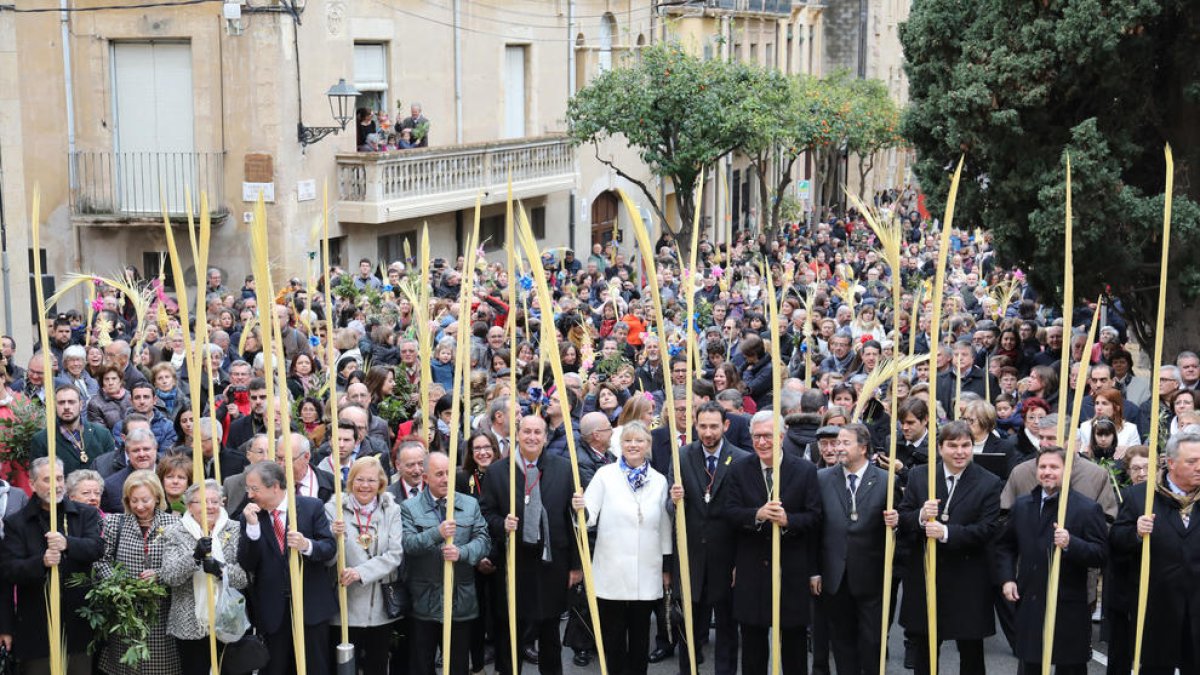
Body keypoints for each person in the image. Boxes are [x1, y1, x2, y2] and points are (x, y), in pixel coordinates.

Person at [897, 420, 1003, 675]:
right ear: (940, 447)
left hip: (967, 578)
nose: (960, 452)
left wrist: (946, 532)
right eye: (953, 446)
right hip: (927, 576)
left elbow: (988, 529)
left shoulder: (988, 482)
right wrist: (921, 515)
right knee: (925, 648)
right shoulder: (920, 475)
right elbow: (904, 518)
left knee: (971, 652)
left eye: (966, 445)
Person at [479, 415, 582, 675]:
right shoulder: (498, 471)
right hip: (514, 562)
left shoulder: (563, 468)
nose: (532, 437)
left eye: (538, 432)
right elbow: (485, 513)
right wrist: (502, 523)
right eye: (527, 432)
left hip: (551, 562)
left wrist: (575, 566)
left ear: (546, 437)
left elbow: (573, 522)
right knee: (510, 631)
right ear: (517, 434)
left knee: (549, 633)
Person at [572, 421, 672, 675]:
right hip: (611, 570)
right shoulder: (605, 475)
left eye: (639, 440)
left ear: (648, 445)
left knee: (640, 638)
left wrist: (667, 566)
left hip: (646, 570)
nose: (633, 445)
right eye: (628, 440)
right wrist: (579, 508)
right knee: (613, 639)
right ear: (620, 445)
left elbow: (664, 526)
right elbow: (588, 516)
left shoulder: (659, 481)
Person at [725, 410, 821, 675]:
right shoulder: (739, 469)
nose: (762, 442)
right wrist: (756, 514)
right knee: (753, 648)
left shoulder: (805, 470)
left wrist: (788, 520)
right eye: (756, 437)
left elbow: (814, 517)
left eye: (767, 436)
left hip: (790, 569)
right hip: (752, 569)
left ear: (781, 437)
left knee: (793, 647)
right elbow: (730, 513)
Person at [995, 447, 1107, 675]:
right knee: (1030, 663)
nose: (1048, 472)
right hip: (1031, 598)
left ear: (1067, 471)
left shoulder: (1086, 509)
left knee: (1070, 666)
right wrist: (1007, 579)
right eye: (1043, 467)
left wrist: (1071, 544)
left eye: (1054, 467)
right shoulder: (1023, 505)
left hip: (1069, 602)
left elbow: (1100, 553)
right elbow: (1005, 546)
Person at [0, 457, 104, 675]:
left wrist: (68, 543)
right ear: (32, 483)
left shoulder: (85, 514)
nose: (56, 485)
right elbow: (9, 571)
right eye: (47, 479)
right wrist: (42, 562)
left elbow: (96, 548)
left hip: (78, 623)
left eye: (59, 478)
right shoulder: (16, 523)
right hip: (35, 626)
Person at [1110, 431, 1200, 674]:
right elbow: (1116, 541)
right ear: (1170, 463)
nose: (1199, 467)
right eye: (1192, 462)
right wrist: (1136, 533)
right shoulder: (1141, 496)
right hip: (1157, 607)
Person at [813, 423, 900, 675]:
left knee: (872, 641)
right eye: (837, 443)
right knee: (841, 641)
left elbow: (900, 528)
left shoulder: (886, 481)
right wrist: (815, 571)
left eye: (844, 442)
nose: (837, 448)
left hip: (872, 576)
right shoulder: (822, 479)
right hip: (835, 575)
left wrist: (896, 523)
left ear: (863, 448)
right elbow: (816, 530)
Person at [239, 453, 338, 675]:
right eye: (248, 489)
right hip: (273, 611)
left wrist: (306, 545)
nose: (250, 495)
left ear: (274, 487)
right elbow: (246, 562)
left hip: (311, 606)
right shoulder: (250, 516)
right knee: (275, 669)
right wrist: (252, 529)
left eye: (255, 489)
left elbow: (329, 548)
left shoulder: (311, 507)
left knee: (315, 667)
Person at [669, 402, 749, 675]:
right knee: (687, 627)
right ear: (695, 425)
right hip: (691, 556)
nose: (708, 432)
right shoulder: (682, 456)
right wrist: (674, 501)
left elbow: (743, 515)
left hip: (726, 558)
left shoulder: (740, 459)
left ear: (725, 426)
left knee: (727, 628)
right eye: (702, 426)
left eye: (714, 426)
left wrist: (740, 561)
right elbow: (670, 510)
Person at [402, 451, 491, 675]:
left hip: (460, 600)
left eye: (449, 473)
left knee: (458, 664)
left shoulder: (470, 504)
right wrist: (436, 533)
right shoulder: (409, 507)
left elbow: (484, 540)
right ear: (425, 477)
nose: (445, 479)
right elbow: (407, 545)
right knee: (422, 664)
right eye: (439, 474)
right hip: (425, 600)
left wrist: (462, 553)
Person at [95, 469, 181, 675]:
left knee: (160, 667)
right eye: (134, 500)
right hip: (125, 613)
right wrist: (120, 585)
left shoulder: (174, 525)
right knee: (127, 667)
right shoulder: (114, 523)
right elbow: (101, 561)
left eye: (145, 500)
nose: (140, 506)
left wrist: (159, 575)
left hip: (161, 614)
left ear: (157, 497)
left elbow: (181, 565)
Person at [160, 480, 248, 675]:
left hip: (228, 619)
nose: (210, 507)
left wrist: (221, 570)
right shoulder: (175, 532)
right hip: (190, 623)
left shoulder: (235, 530)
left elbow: (244, 578)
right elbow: (169, 577)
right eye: (203, 502)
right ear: (189, 506)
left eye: (215, 501)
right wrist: (194, 557)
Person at [328, 456, 405, 675]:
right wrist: (334, 536)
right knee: (344, 667)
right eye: (359, 479)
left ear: (380, 483)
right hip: (345, 605)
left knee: (377, 665)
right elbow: (327, 558)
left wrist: (360, 572)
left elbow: (395, 554)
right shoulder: (333, 509)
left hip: (379, 605)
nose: (364, 485)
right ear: (351, 481)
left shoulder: (392, 509)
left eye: (371, 480)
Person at [32, 385, 115, 476]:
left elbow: (111, 472)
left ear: (81, 405)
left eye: (71, 402)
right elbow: (40, 478)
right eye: (61, 402)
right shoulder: (42, 440)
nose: (66, 407)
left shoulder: (102, 434)